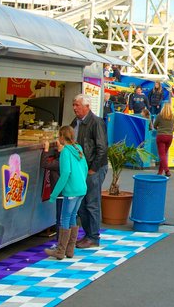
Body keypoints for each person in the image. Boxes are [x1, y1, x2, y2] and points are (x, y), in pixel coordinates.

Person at [70, 94, 108, 249]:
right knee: (82, 204)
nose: (74, 108)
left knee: (91, 202)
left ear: (86, 106)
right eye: (74, 104)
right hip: (82, 168)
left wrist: (93, 168)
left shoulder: (96, 122)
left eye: (77, 105)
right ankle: (89, 234)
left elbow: (102, 148)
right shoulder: (76, 122)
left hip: (93, 168)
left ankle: (93, 236)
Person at [45, 125, 88, 260]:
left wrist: (54, 194)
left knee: (64, 218)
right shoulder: (78, 148)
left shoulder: (65, 152)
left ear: (62, 137)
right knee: (73, 217)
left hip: (71, 191)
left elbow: (65, 174)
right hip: (81, 189)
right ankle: (70, 250)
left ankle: (60, 250)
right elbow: (86, 168)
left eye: (59, 136)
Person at [40, 136, 63, 240]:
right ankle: (68, 245)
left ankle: (61, 244)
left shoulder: (60, 162)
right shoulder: (74, 155)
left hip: (61, 193)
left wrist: (46, 149)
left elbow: (44, 164)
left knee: (61, 218)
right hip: (74, 192)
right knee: (69, 217)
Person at [153, 102, 174, 176]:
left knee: (162, 155)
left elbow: (154, 125)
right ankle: (160, 172)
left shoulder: (160, 116)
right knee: (164, 155)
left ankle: (167, 171)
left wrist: (158, 128)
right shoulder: (172, 117)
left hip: (161, 135)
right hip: (169, 136)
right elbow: (173, 127)